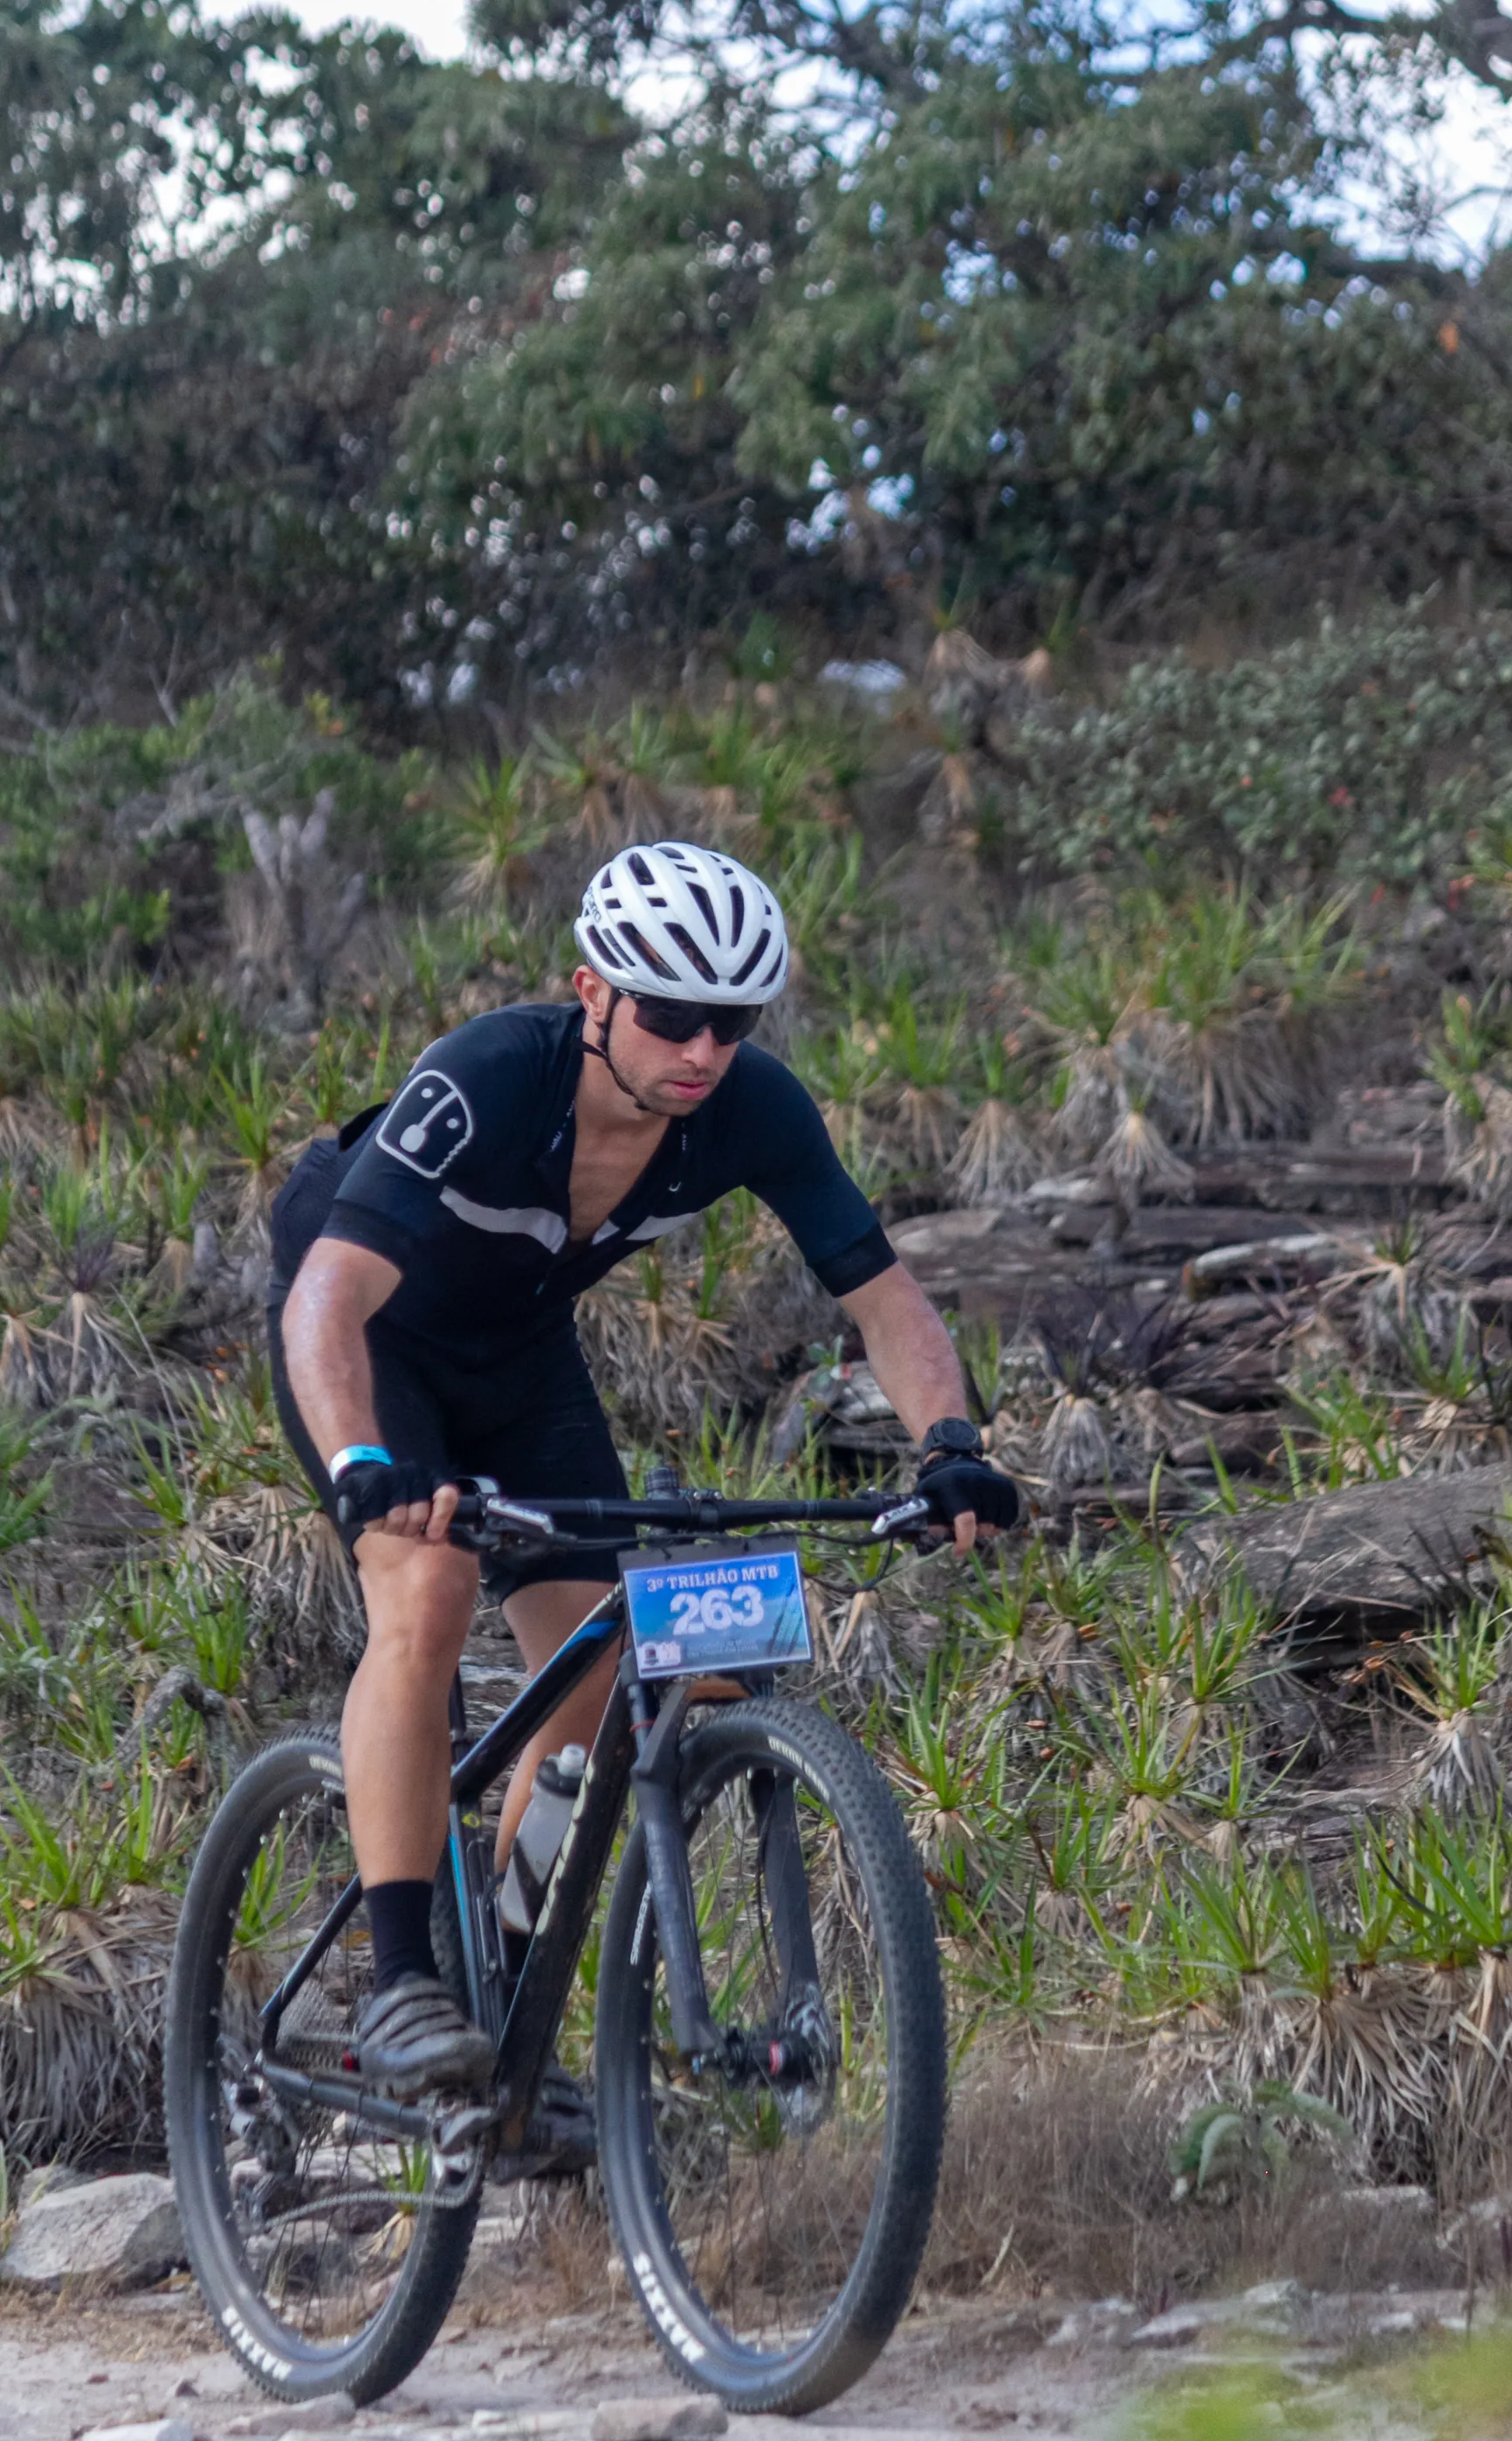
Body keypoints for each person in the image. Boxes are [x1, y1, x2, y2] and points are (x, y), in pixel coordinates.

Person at [269, 838, 1021, 2119]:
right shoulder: (491, 1078)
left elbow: (886, 1300)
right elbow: (330, 1297)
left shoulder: (750, 1107)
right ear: (593, 992)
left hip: (521, 1363)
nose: (703, 1051)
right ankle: (400, 1983)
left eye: (733, 1023)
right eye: (672, 1016)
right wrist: (363, 1465)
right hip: (371, 1342)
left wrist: (951, 1449)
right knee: (431, 1592)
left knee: (607, 1673)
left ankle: (501, 2003)